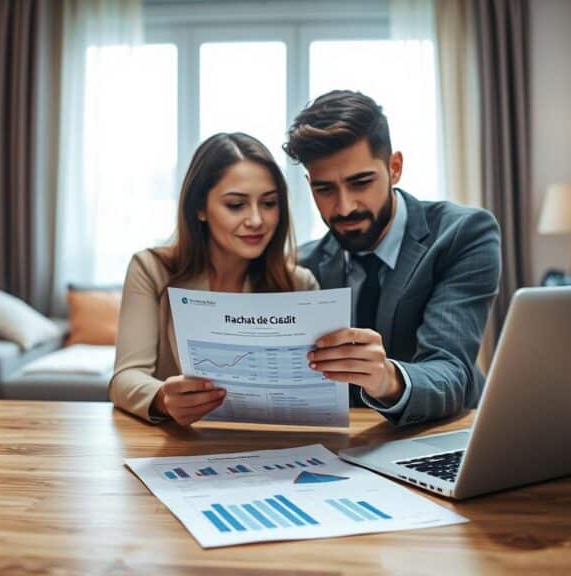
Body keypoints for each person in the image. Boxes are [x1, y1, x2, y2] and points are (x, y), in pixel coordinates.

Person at [286, 90, 501, 426]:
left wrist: (386, 378)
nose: (344, 207)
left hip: (446, 433)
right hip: (346, 449)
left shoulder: (462, 234)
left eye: (361, 182)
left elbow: (452, 371)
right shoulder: (301, 266)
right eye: (324, 189)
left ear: (395, 167)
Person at [110, 132, 319, 425]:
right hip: (179, 444)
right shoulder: (151, 269)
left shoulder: (300, 284)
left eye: (269, 203)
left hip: (271, 444)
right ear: (200, 209)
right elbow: (125, 378)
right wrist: (163, 399)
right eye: (236, 205)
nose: (257, 220)